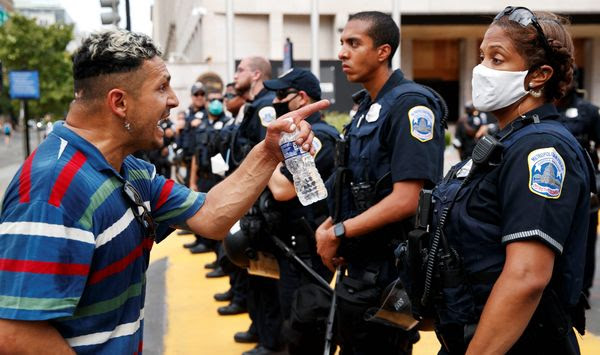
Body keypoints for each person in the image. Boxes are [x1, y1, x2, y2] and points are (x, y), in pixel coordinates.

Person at [0, 29, 326, 354]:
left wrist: (268, 152)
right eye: (161, 87)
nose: (174, 100)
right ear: (120, 102)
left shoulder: (129, 169)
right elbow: (14, 334)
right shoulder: (54, 187)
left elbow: (211, 215)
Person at [422, 7, 592, 354]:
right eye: (482, 57)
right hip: (474, 335)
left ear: (539, 75)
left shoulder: (541, 149)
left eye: (497, 60)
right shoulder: (504, 142)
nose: (481, 70)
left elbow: (526, 277)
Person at [315, 11, 445, 355]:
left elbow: (408, 198)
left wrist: (338, 232)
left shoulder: (410, 104)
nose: (342, 52)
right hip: (358, 270)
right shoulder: (366, 108)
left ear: (383, 51)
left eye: (353, 43)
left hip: (388, 275)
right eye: (342, 43)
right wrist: (328, 226)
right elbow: (360, 188)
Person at [264, 68, 339, 354]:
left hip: (306, 250)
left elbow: (283, 189)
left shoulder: (318, 137)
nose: (275, 101)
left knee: (303, 327)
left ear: (301, 98)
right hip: (291, 245)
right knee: (291, 322)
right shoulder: (293, 136)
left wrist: (267, 156)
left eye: (282, 94)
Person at [556, 78, 600, 299]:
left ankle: (582, 289)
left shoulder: (589, 111)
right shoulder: (544, 109)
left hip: (584, 187)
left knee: (585, 239)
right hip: (554, 185)